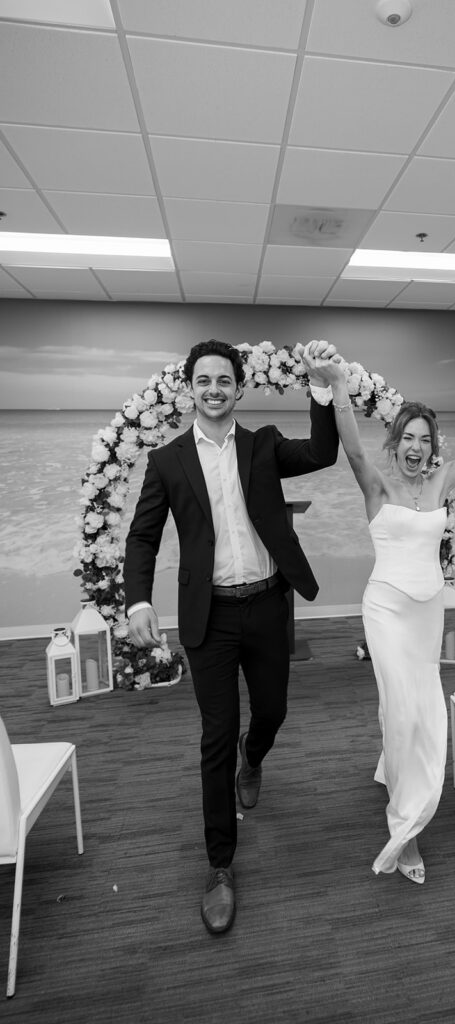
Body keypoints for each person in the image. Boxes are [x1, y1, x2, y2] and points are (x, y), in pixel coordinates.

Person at [302, 345, 455, 884]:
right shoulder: (377, 485)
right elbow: (349, 444)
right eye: (408, 439)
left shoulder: (441, 483)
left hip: (425, 613)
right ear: (395, 445)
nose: (417, 448)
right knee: (409, 711)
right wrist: (340, 389)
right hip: (385, 610)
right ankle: (406, 831)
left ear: (433, 447)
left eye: (426, 440)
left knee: (411, 702)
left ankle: (389, 766)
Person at [123, 338, 339, 934]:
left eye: (225, 380)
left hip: (268, 607)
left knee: (272, 711)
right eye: (204, 380)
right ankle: (220, 865)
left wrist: (320, 389)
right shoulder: (166, 461)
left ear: (239, 388)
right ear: (190, 389)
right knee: (213, 737)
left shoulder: (263, 445)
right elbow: (142, 537)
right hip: (209, 619)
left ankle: (256, 756)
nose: (214, 389)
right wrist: (137, 598)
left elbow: (323, 452)